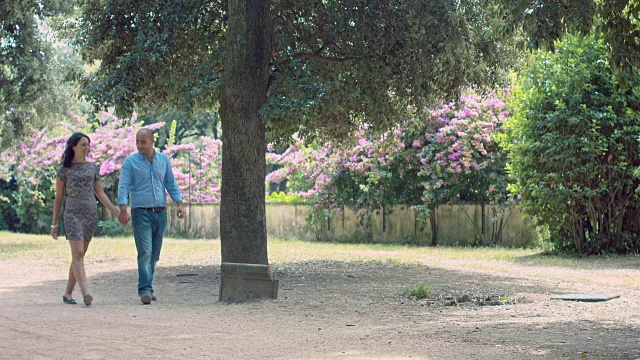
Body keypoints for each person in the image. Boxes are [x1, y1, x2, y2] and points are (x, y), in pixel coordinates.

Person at [51, 132, 121, 306]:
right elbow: (58, 198)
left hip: (90, 214)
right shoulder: (64, 171)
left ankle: (67, 293)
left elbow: (100, 193)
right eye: (83, 144)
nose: (87, 148)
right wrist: (54, 224)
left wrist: (116, 211)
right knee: (78, 254)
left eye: (88, 145)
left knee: (79, 257)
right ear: (73, 146)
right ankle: (86, 293)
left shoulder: (92, 168)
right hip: (72, 214)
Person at [117, 128, 185, 305]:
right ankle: (146, 289)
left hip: (160, 213)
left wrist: (179, 203)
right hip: (141, 213)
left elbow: (170, 182)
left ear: (152, 141)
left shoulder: (163, 160)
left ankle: (146, 285)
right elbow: (124, 186)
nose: (139, 145)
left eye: (143, 142)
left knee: (154, 254)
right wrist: (123, 208)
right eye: (137, 142)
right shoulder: (130, 162)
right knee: (145, 251)